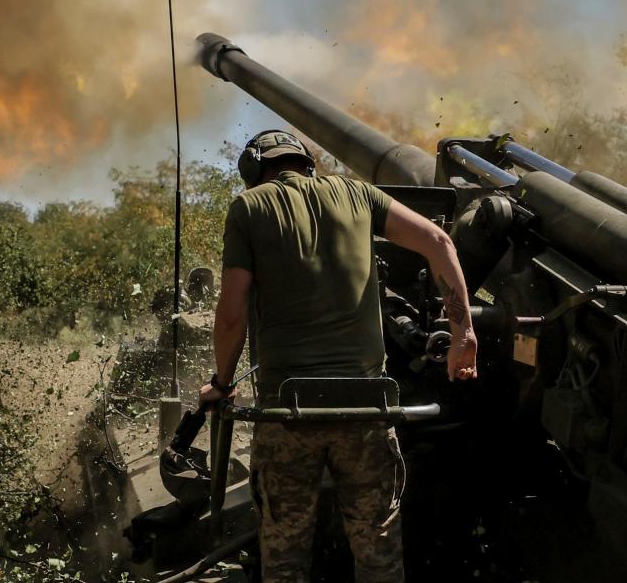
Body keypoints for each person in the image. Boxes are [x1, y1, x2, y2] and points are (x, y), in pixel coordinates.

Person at [198, 129, 478, 583]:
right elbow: (439, 243)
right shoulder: (360, 195)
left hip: (290, 411)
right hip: (368, 406)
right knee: (379, 554)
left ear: (254, 169)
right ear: (308, 162)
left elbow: (232, 316)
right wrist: (464, 333)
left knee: (286, 560)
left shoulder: (249, 207)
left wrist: (223, 384)